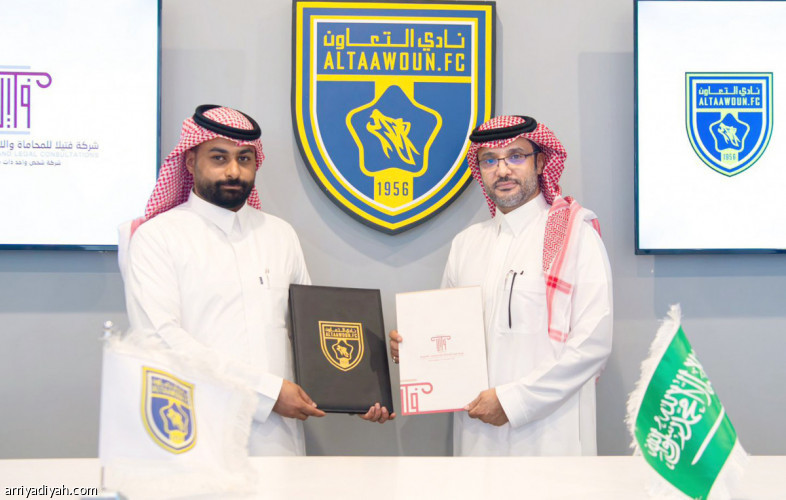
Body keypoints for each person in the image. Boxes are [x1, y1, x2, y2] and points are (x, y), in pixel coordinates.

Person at [124, 105, 392, 457]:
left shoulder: (280, 235)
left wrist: (351, 390)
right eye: (219, 158)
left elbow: (310, 334)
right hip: (195, 432)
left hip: (277, 439)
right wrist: (266, 392)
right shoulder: (157, 237)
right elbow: (160, 340)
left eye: (244, 159)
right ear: (190, 162)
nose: (233, 171)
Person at [390, 115, 612, 456]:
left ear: (541, 162)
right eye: (490, 160)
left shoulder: (575, 236)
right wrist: (414, 347)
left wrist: (514, 401)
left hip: (551, 437)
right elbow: (447, 335)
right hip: (477, 435)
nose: (503, 170)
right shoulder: (467, 244)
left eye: (516, 156)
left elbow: (592, 344)